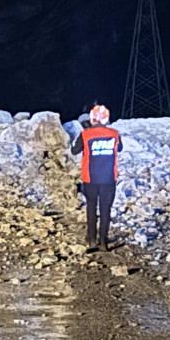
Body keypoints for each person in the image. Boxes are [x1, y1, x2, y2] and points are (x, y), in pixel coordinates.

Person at [70, 104, 122, 251]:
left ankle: (91, 239)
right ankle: (104, 242)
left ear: (92, 119)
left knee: (91, 208)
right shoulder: (114, 134)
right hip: (108, 179)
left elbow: (74, 150)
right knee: (106, 210)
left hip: (90, 179)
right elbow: (120, 148)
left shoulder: (85, 135)